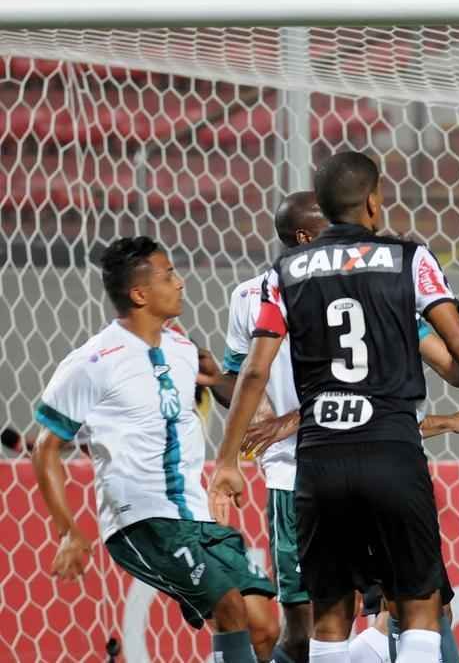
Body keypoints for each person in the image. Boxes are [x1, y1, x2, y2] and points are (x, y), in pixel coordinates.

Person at [208, 152, 459, 663]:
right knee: (418, 606)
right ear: (374, 202)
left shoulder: (281, 274)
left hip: (320, 460)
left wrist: (227, 461)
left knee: (329, 614)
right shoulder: (408, 260)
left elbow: (254, 371)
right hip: (392, 453)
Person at [31, 237, 279, 663]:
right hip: (142, 520)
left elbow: (229, 394)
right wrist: (69, 531)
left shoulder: (182, 349)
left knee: (263, 625)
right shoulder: (92, 361)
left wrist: (217, 377)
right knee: (231, 610)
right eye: (169, 275)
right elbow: (45, 447)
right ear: (139, 293)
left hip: (197, 515)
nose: (180, 283)